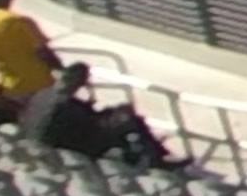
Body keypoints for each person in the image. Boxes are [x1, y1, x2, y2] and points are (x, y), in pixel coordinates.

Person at [16, 63, 182, 168]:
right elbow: (89, 125)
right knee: (128, 121)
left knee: (118, 116)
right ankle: (157, 158)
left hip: (45, 139)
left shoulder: (43, 94)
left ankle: (142, 155)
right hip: (68, 144)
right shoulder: (64, 105)